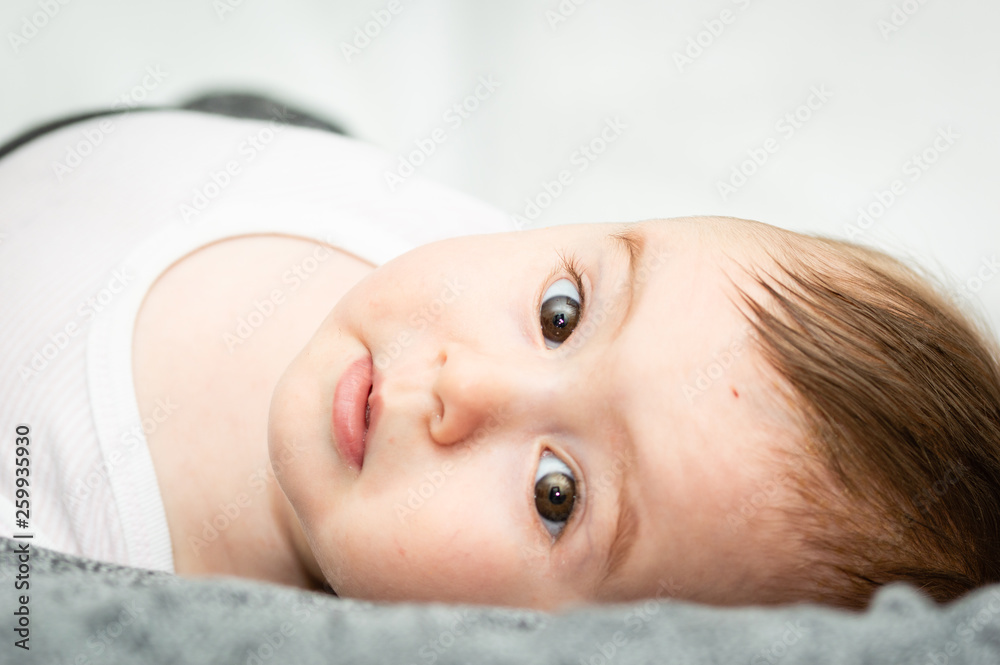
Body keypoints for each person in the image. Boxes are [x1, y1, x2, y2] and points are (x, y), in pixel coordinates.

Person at [1, 97, 999, 613]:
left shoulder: (92, 594)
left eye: (555, 493)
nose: (462, 386)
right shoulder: (446, 266)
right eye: (561, 313)